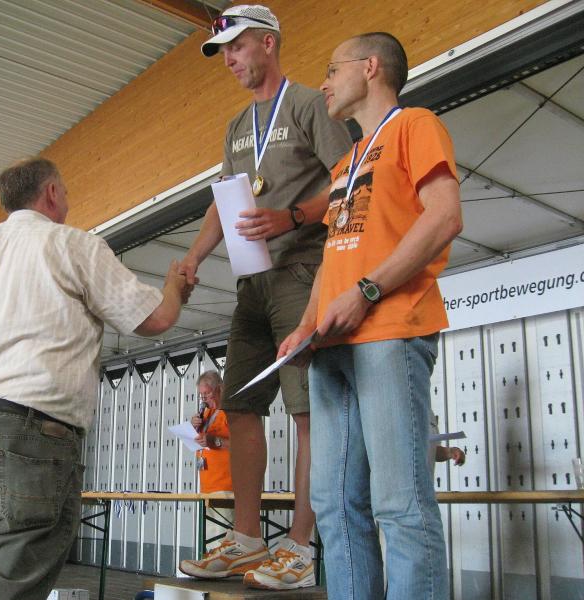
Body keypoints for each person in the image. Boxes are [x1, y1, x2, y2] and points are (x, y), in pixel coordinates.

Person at [0, 157, 192, 600]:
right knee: (14, 586)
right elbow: (154, 320)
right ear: (52, 193)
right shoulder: (74, 245)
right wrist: (175, 287)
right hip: (31, 439)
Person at [278, 32, 463, 599]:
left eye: (332, 70)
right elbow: (333, 258)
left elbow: (445, 216)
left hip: (390, 331)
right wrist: (304, 325)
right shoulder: (343, 163)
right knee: (333, 504)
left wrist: (367, 291)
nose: (324, 84)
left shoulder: (415, 125)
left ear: (371, 66)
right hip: (331, 346)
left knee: (400, 502)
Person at [178, 4, 352, 590]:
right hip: (251, 280)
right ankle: (247, 539)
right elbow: (223, 198)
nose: (228, 60)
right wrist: (194, 256)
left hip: (302, 270)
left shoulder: (308, 104)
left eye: (237, 47)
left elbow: (351, 180)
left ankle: (299, 549)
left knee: (306, 411)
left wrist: (293, 216)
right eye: (223, 52)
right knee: (239, 404)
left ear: (268, 43)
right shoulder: (235, 126)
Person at [190, 370, 233, 549]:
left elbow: (242, 445)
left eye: (207, 394)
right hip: (207, 487)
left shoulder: (231, 412)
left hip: (226, 487)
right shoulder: (206, 413)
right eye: (201, 395)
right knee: (210, 537)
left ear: (220, 389)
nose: (204, 399)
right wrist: (193, 427)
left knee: (224, 537)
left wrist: (215, 441)